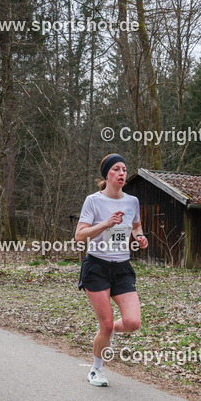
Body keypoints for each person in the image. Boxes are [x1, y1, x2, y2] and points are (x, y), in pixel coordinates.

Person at [74, 154, 148, 387]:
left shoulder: (132, 201)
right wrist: (106, 223)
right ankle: (96, 370)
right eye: (116, 169)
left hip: (122, 267)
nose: (122, 173)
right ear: (107, 175)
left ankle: (107, 333)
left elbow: (136, 225)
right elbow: (79, 236)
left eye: (124, 169)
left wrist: (140, 237)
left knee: (133, 322)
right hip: (97, 266)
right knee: (105, 324)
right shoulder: (93, 201)